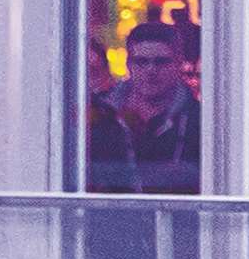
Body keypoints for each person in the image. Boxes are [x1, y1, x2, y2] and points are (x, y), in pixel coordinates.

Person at [85, 23, 200, 195]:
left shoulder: (198, 119)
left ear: (178, 64)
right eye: (141, 62)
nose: (151, 70)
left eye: (161, 62)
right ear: (129, 64)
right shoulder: (99, 114)